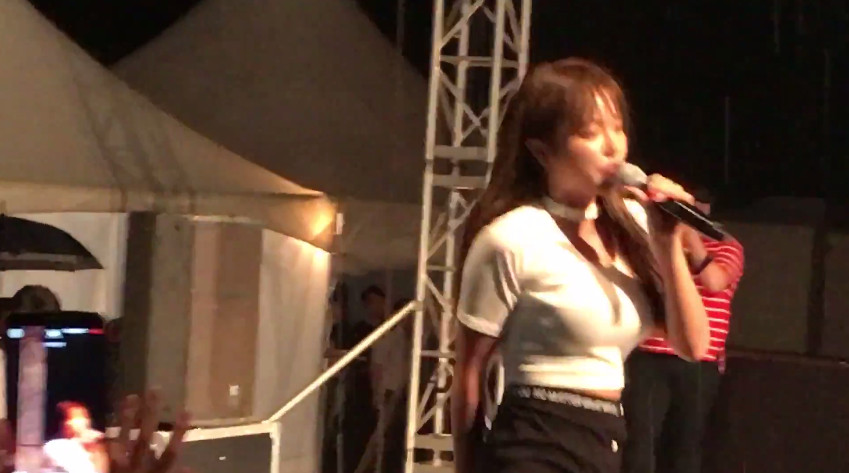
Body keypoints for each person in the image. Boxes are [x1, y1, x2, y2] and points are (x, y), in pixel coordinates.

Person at [451, 58, 710, 473]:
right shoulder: (511, 238)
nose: (613, 147)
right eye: (591, 133)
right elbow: (469, 373)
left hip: (605, 438)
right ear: (541, 151)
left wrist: (667, 242)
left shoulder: (634, 225)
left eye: (617, 128)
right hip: (534, 438)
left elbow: (693, 346)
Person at [621, 188, 745, 473]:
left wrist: (690, 237)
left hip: (700, 360)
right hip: (649, 353)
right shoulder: (656, 241)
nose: (692, 212)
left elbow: (715, 281)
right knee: (640, 440)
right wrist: (670, 241)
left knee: (685, 444)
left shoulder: (727, 246)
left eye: (696, 206)